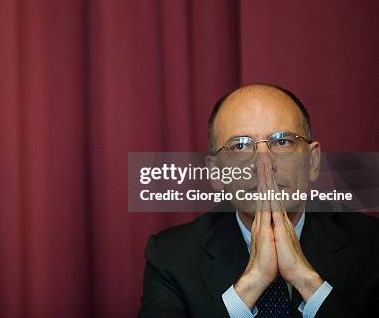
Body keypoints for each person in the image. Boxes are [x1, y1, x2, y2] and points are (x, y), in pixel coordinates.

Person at [138, 84, 379, 317]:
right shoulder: (170, 257)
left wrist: (306, 280)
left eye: (282, 141)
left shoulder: (373, 245)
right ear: (215, 172)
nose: (263, 163)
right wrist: (251, 284)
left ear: (313, 162)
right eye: (240, 146)